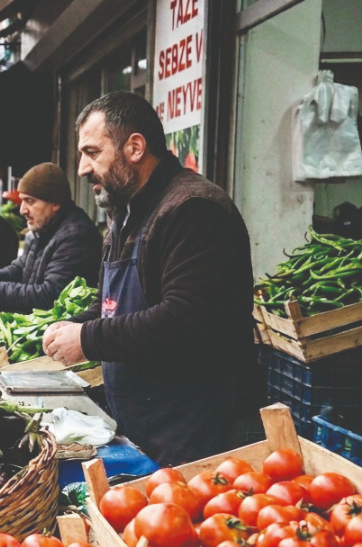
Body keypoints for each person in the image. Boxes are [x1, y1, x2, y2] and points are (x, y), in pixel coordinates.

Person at [42, 91, 254, 465]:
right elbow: (113, 304)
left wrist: (88, 338)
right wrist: (74, 325)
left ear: (135, 147)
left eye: (92, 152)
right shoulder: (126, 213)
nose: (81, 169)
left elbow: (184, 318)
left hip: (192, 433)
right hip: (143, 426)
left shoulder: (193, 209)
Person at [0, 163, 101, 312]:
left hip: (61, 330)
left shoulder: (76, 236)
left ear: (55, 202)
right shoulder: (43, 228)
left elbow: (50, 295)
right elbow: (21, 268)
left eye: (30, 201)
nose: (22, 210)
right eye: (22, 201)